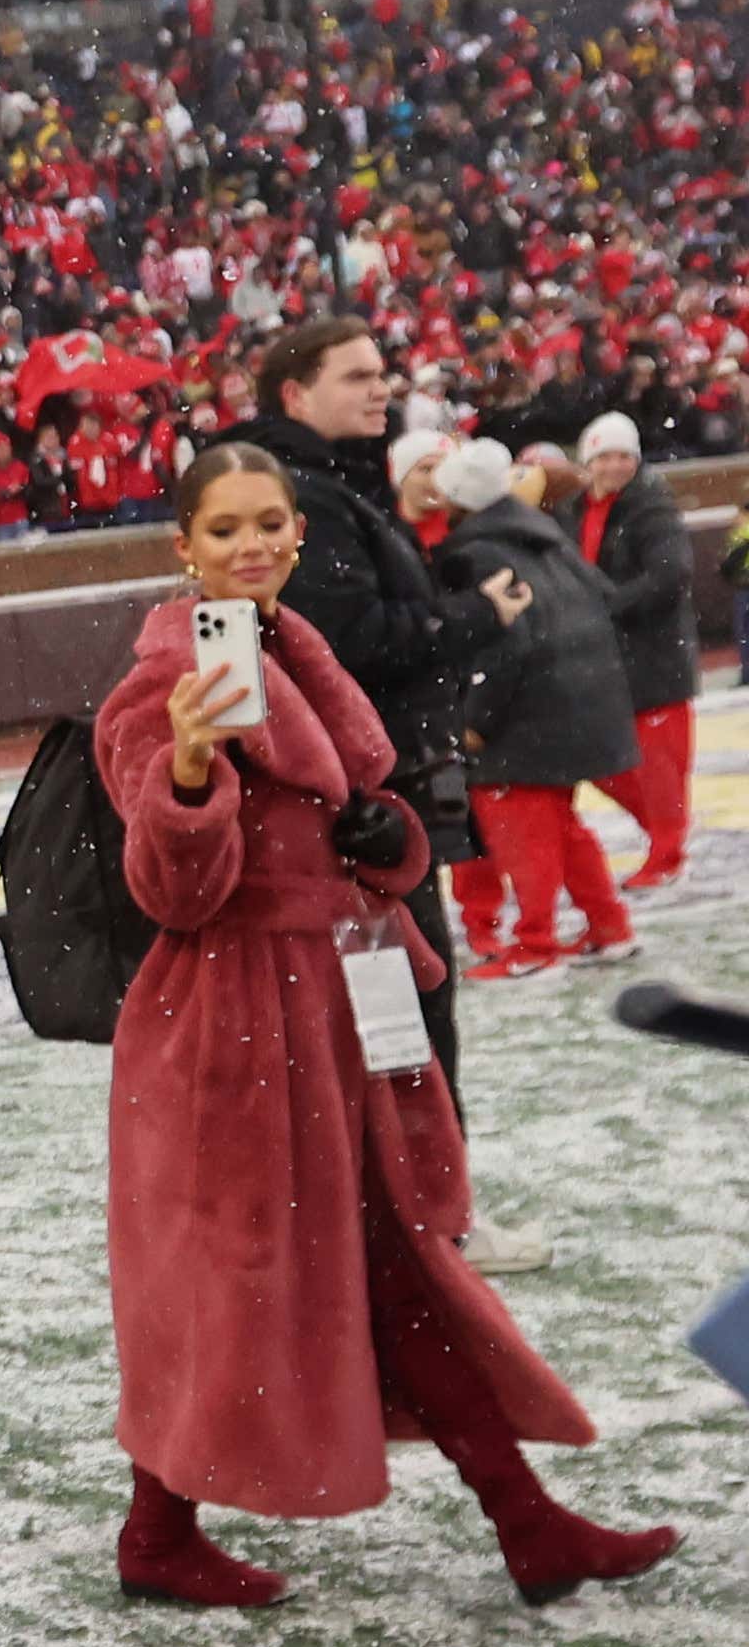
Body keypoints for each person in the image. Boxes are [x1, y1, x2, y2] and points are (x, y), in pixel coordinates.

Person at [93, 446, 677, 1612]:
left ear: (295, 536)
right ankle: (162, 1533)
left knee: (384, 1268)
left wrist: (384, 840)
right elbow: (171, 893)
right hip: (233, 1029)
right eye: (224, 530)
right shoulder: (164, 684)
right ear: (184, 547)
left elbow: (350, 827)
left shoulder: (294, 655)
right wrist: (191, 772)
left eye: (269, 524)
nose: (251, 547)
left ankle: (522, 1523)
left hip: (334, 1009)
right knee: (238, 1281)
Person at [240, 318, 544, 1267]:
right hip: (365, 804)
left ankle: (402, 1216)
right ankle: (429, 1221)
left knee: (387, 1011)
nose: (381, 389)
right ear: (297, 393)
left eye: (383, 373)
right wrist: (473, 614)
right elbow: (355, 640)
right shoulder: (308, 495)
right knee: (401, 1008)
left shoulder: (326, 484)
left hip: (363, 795)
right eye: (358, 376)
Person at [427, 440, 639, 978]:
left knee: (524, 834)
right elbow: (605, 600)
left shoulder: (476, 553)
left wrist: (476, 720)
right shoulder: (544, 536)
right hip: (572, 703)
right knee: (563, 828)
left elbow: (508, 645)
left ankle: (535, 944)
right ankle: (609, 926)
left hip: (524, 718)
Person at [566, 411, 696, 890]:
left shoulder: (651, 508)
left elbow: (669, 574)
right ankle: (665, 833)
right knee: (601, 760)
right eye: (605, 456)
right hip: (600, 659)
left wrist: (609, 606)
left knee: (661, 767)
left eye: (624, 456)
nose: (615, 466)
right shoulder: (573, 511)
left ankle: (667, 852)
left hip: (653, 659)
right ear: (588, 461)